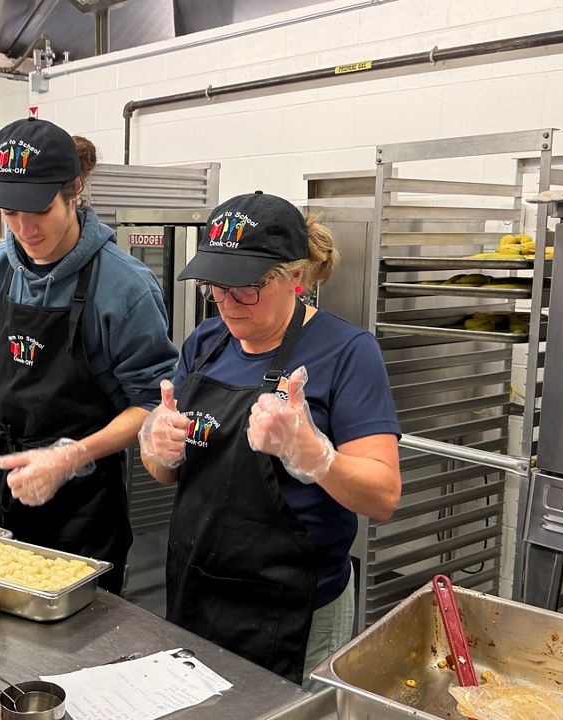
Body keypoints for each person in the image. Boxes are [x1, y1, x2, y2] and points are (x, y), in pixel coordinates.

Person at [138, 191, 402, 687]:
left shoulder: (348, 353)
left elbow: (384, 496)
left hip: (292, 610)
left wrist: (316, 457)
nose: (227, 303)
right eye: (215, 286)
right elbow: (165, 472)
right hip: (196, 588)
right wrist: (155, 445)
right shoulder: (205, 342)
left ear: (295, 278)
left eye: (247, 288)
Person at [0, 118, 178, 595]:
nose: (23, 228)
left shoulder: (124, 286)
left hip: (85, 507)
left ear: (73, 191)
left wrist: (70, 456)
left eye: (38, 209)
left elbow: (149, 404)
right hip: (3, 489)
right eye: (9, 212)